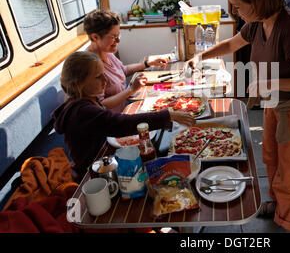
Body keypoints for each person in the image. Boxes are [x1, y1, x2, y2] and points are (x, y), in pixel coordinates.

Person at [187, 0, 290, 231]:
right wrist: (200, 56)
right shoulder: (257, 24)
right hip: (276, 101)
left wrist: (271, 82)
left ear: (256, 0)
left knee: (289, 172)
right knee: (271, 158)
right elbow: (231, 45)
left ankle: (288, 222)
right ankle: (277, 204)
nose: (235, 13)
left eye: (237, 7)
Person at [52, 51, 195, 183]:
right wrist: (168, 115)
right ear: (78, 83)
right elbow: (121, 123)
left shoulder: (83, 101)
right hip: (91, 175)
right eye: (98, 77)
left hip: (102, 159)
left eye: (104, 74)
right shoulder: (82, 112)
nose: (105, 80)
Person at [84, 9, 168, 112]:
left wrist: (148, 64)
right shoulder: (89, 66)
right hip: (114, 120)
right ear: (95, 37)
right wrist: (130, 90)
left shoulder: (107, 53)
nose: (118, 41)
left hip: (126, 108)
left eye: (118, 35)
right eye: (113, 37)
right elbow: (101, 105)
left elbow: (123, 70)